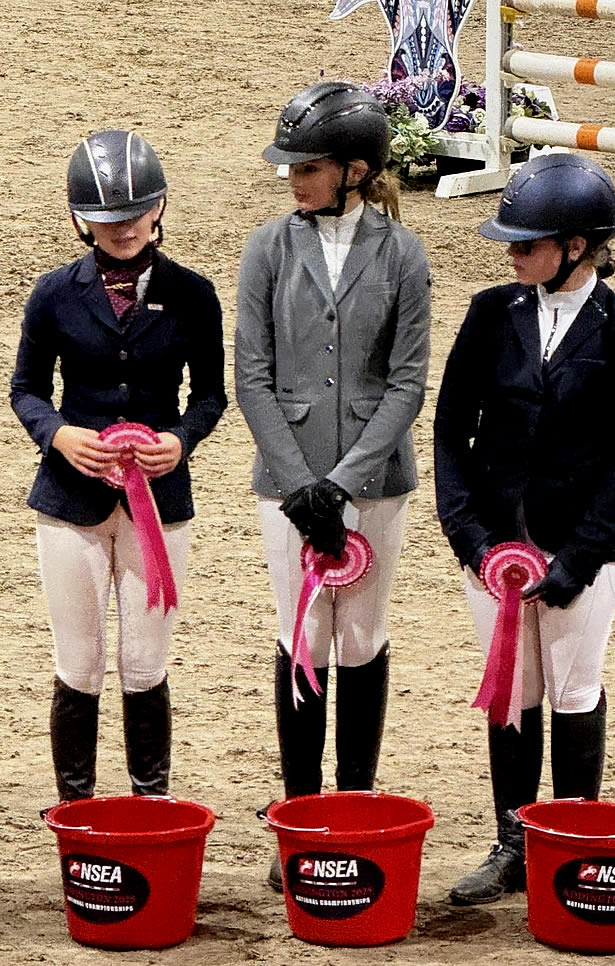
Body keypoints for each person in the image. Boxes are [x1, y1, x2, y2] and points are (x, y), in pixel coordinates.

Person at [433, 153, 615, 905]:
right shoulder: (489, 313)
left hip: (582, 546)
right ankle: (512, 843)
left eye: (526, 244)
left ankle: (570, 844)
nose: (512, 254)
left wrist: (581, 556)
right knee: (513, 689)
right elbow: (450, 430)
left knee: (573, 689)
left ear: (575, 246)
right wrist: (468, 536)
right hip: (494, 545)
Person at [235, 81, 431, 890]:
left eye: (308, 167)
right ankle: (299, 814)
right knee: (302, 636)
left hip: (377, 481)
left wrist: (345, 484)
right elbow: (252, 376)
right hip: (287, 479)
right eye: (291, 167)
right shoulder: (268, 248)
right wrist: (301, 485)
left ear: (354, 171)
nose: (294, 180)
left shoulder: (403, 253)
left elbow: (409, 383)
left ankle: (352, 807)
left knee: (362, 639)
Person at [11, 129, 226, 802]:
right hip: (69, 501)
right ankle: (76, 808)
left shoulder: (195, 294)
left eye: (135, 212)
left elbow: (211, 394)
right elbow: (25, 389)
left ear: (159, 207)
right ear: (80, 219)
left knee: (144, 662)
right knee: (79, 663)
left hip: (158, 501)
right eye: (106, 217)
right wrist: (59, 435)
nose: (123, 227)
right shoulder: (53, 293)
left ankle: (150, 805)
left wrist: (181, 440)